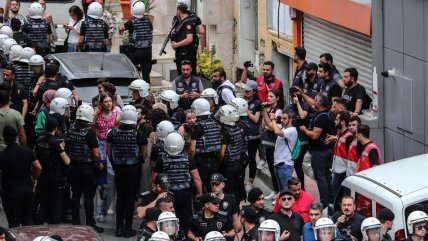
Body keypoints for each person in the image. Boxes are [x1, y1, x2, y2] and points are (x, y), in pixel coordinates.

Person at [107, 105, 147, 237]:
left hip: (119, 168)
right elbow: (144, 152)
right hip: (133, 169)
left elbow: (109, 151)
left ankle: (118, 228)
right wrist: (140, 160)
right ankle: (128, 229)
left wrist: (114, 162)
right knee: (130, 198)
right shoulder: (139, 134)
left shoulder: (113, 132)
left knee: (120, 198)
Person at [152, 131, 203, 234]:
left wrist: (155, 192)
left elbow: (154, 179)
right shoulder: (187, 158)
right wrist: (199, 193)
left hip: (167, 195)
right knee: (185, 219)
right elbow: (196, 178)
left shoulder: (161, 159)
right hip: (185, 194)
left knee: (168, 219)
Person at [66, 104, 104, 233]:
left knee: (75, 195)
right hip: (87, 169)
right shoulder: (90, 132)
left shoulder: (70, 129)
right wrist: (100, 165)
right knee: (88, 197)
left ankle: (75, 221)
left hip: (73, 168)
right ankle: (90, 224)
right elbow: (96, 154)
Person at [0, 126, 41, 227]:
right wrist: (34, 178)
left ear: (4, 138)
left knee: (14, 223)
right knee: (27, 220)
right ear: (16, 137)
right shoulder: (27, 151)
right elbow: (38, 167)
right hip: (27, 190)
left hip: (10, 192)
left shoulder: (2, 155)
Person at [299, 93, 335, 208]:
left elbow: (314, 135)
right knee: (326, 175)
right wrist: (302, 94)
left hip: (320, 152)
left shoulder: (320, 118)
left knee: (321, 176)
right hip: (328, 150)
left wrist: (304, 130)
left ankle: (324, 202)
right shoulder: (328, 113)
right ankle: (330, 199)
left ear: (318, 104)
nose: (313, 102)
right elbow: (311, 103)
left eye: (315, 101)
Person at [34, 117, 70, 224]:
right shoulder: (57, 142)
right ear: (55, 128)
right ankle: (53, 225)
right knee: (56, 204)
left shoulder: (39, 140)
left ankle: (39, 223)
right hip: (55, 177)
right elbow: (67, 161)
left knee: (43, 202)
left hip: (42, 176)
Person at [93, 92, 119, 223]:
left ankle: (104, 210)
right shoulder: (96, 115)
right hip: (100, 145)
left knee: (110, 176)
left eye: (110, 101)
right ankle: (101, 187)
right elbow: (92, 130)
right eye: (106, 101)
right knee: (101, 174)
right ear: (102, 103)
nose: (108, 103)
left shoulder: (116, 114)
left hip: (112, 146)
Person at [189, 98, 221, 192]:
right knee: (213, 187)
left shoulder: (198, 126)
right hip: (214, 160)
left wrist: (190, 161)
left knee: (201, 187)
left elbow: (192, 149)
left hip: (201, 162)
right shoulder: (215, 123)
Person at [119, 1, 153, 83]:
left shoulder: (131, 22)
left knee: (130, 70)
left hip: (136, 51)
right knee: (146, 75)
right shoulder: (148, 21)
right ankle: (147, 91)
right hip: (148, 51)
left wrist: (120, 29)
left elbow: (121, 28)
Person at [217, 104, 245, 202]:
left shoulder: (225, 132)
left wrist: (219, 163)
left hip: (228, 166)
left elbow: (222, 153)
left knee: (229, 191)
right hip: (238, 164)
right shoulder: (237, 128)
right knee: (237, 188)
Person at [261, 89, 284, 200]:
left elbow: (272, 127)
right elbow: (263, 125)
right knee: (271, 168)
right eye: (268, 96)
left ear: (277, 98)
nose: (268, 98)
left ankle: (279, 192)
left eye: (271, 96)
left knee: (275, 169)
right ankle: (275, 191)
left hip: (274, 144)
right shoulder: (268, 109)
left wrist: (268, 125)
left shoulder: (278, 111)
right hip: (267, 143)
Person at [326, 111, 354, 198]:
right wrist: (334, 138)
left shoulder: (349, 137)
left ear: (343, 122)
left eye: (337, 119)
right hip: (338, 169)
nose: (335, 121)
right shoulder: (340, 133)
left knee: (339, 194)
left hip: (343, 171)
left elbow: (351, 156)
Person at [269, 110, 298, 190]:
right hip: (280, 164)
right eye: (281, 118)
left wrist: (273, 120)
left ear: (291, 119)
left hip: (285, 165)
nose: (282, 120)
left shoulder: (291, 130)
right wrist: (264, 112)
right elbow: (269, 125)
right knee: (283, 192)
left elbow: (277, 132)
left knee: (287, 192)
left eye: (284, 118)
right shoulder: (284, 128)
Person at [210, 173, 240, 241]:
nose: (214, 187)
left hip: (227, 235)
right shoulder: (207, 200)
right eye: (212, 184)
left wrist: (239, 238)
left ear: (223, 185)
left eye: (217, 184)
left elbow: (235, 222)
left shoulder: (231, 200)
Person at [243, 80, 261, 189]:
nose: (246, 92)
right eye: (245, 90)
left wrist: (247, 111)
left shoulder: (257, 103)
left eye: (248, 90)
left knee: (251, 158)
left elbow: (256, 119)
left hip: (253, 136)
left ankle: (250, 182)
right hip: (242, 134)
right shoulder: (242, 100)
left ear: (254, 91)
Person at [171, 0, 197, 74]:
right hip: (180, 52)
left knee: (188, 75)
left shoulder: (188, 23)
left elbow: (189, 39)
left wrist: (177, 44)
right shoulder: (179, 21)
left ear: (179, 10)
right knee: (181, 74)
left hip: (187, 53)